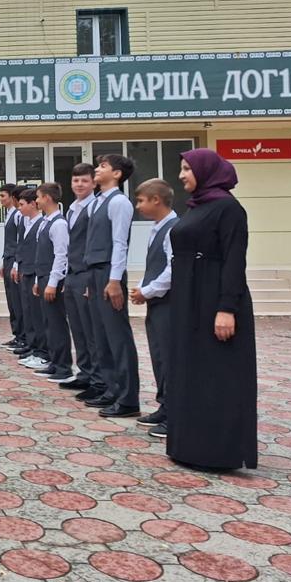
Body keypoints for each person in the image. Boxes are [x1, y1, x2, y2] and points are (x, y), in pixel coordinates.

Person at [166, 149, 256, 470]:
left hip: (213, 300)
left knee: (215, 375)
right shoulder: (196, 206)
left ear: (206, 171)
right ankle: (187, 445)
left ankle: (216, 452)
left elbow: (234, 260)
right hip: (188, 300)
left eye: (187, 169)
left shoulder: (228, 208)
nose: (182, 175)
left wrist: (227, 308)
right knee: (190, 371)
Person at [83, 154, 140, 419]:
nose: (97, 169)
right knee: (101, 336)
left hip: (108, 272)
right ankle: (110, 388)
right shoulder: (97, 202)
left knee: (117, 336)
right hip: (94, 272)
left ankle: (128, 398)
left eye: (103, 166)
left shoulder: (118, 202)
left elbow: (120, 242)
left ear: (117, 174)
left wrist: (115, 279)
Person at [130, 178, 178, 439]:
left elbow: (172, 269)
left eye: (141, 201)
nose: (138, 206)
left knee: (169, 357)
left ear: (156, 200)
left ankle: (174, 413)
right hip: (157, 303)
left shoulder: (173, 229)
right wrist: (142, 287)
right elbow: (155, 266)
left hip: (169, 304)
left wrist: (148, 291)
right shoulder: (157, 227)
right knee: (159, 355)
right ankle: (164, 405)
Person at [62, 163, 111, 401]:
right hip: (72, 273)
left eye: (84, 181)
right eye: (76, 180)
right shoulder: (71, 209)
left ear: (93, 183)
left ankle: (98, 380)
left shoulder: (95, 207)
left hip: (86, 274)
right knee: (78, 328)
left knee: (92, 331)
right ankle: (84, 372)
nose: (79, 185)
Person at [32, 183, 74, 383]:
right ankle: (54, 362)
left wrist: (53, 282)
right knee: (48, 323)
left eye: (38, 197)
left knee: (57, 323)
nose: (36, 201)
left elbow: (61, 255)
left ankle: (63, 366)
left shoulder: (58, 224)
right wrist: (38, 280)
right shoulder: (45, 222)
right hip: (43, 277)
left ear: (47, 198)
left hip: (52, 280)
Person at [12, 189, 48, 370]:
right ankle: (33, 347)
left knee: (37, 315)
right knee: (29, 312)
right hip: (26, 270)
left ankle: (42, 351)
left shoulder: (41, 223)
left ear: (32, 204)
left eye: (22, 204)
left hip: (35, 272)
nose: (19, 208)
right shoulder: (28, 222)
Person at [0, 184, 24, 347]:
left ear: (11, 197)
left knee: (17, 299)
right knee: (11, 299)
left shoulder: (18, 215)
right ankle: (17, 334)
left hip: (15, 260)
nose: (0, 199)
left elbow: (20, 241)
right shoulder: (9, 214)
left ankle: (22, 336)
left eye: (3, 196)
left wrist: (16, 263)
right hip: (8, 258)